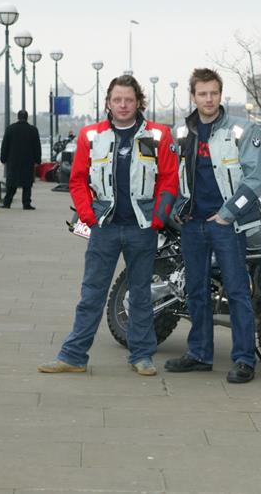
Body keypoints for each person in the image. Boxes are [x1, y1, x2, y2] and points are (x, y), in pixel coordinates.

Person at [38, 75, 178, 376]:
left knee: (140, 294)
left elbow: (169, 179)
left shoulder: (158, 134)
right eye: (117, 99)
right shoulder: (91, 135)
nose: (123, 105)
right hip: (104, 228)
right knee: (92, 293)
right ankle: (73, 356)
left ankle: (141, 356)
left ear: (138, 101)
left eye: (129, 99)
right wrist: (88, 215)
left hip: (143, 228)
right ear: (108, 103)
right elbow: (77, 180)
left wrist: (157, 216)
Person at [165, 68, 261, 383]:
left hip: (227, 225)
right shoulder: (179, 132)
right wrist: (175, 210)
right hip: (193, 224)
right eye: (202, 93)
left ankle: (244, 360)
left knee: (237, 291)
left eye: (213, 93)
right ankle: (199, 354)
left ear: (220, 95)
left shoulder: (243, 130)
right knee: (196, 291)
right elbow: (170, 176)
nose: (208, 99)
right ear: (193, 96)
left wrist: (227, 214)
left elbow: (256, 178)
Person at [0, 110, 42, 210]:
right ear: (27, 117)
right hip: (28, 160)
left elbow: (4, 145)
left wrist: (3, 158)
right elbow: (37, 146)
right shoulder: (33, 130)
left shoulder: (10, 129)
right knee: (27, 183)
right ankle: (26, 203)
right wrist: (37, 160)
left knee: (11, 183)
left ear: (18, 117)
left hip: (13, 160)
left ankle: (7, 202)